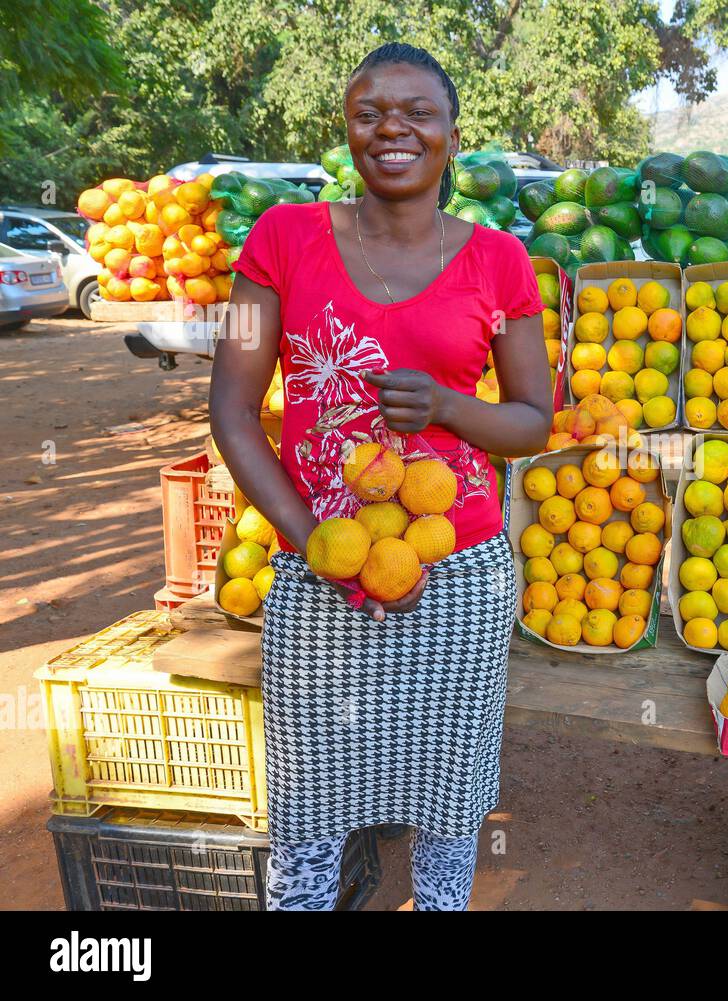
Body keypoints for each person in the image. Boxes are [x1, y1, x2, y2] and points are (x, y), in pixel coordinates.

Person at [208, 42, 551, 911]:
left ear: (451, 135)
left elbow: (530, 420)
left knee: (447, 810)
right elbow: (234, 413)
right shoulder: (282, 238)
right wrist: (316, 545)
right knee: (308, 812)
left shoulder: (500, 260)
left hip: (456, 573)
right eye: (369, 114)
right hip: (318, 570)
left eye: (416, 113)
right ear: (348, 131)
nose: (391, 128)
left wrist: (442, 405)